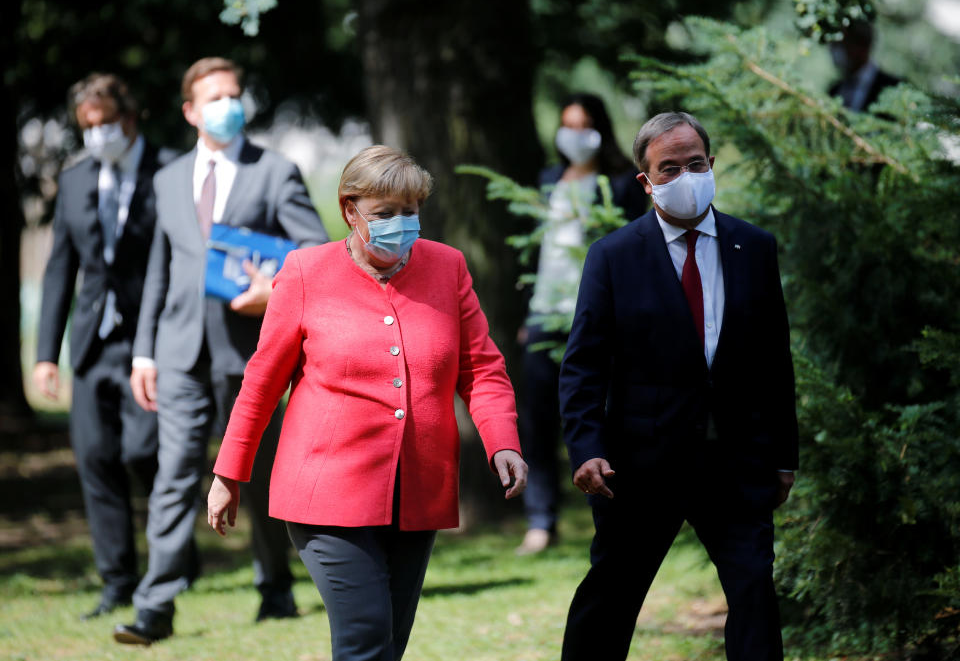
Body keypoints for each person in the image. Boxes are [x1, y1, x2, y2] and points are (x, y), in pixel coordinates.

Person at [207, 145, 528, 661]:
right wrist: (229, 473)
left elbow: (481, 369)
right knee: (365, 644)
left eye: (410, 212)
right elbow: (261, 383)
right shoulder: (305, 272)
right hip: (325, 491)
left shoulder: (447, 267)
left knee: (388, 646)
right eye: (384, 214)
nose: (400, 225)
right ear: (350, 210)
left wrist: (502, 443)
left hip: (417, 489)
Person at [558, 111, 799, 661]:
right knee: (611, 597)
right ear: (645, 181)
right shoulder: (613, 256)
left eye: (695, 164)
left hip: (736, 462)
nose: (685, 176)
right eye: (669, 168)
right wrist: (587, 449)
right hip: (640, 465)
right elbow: (583, 365)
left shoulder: (753, 247)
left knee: (754, 594)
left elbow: (772, 361)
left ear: (712, 166)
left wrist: (784, 456)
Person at [113, 57, 330, 645]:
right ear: (190, 110)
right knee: (174, 476)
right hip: (180, 353)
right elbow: (159, 269)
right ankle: (155, 606)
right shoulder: (166, 178)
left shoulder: (275, 170)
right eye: (214, 97)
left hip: (253, 353)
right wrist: (143, 353)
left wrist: (273, 288)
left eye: (233, 94)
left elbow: (315, 251)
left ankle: (275, 589)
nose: (227, 105)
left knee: (256, 477)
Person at [33, 73, 175, 620]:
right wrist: (47, 352)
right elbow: (58, 270)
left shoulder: (168, 171)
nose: (97, 135)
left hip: (153, 341)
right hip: (92, 344)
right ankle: (118, 580)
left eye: (105, 124)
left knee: (145, 452)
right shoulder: (74, 181)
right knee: (95, 459)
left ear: (130, 118)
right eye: (87, 127)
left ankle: (171, 557)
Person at [516, 93, 647, 555]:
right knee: (536, 419)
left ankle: (613, 506)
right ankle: (540, 519)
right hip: (543, 317)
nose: (576, 135)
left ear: (600, 128)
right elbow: (535, 251)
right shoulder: (549, 180)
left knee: (600, 416)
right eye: (567, 125)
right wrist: (527, 316)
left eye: (584, 125)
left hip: (593, 319)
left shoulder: (620, 184)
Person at [829, 19, 900, 113]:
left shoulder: (894, 88)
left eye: (842, 44)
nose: (836, 50)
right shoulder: (834, 91)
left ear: (863, 46)